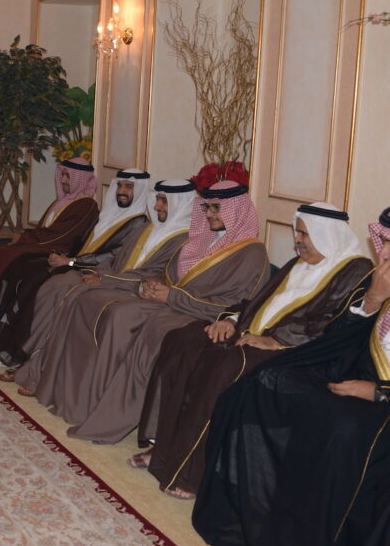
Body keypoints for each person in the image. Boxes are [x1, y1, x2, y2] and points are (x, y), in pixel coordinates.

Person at [133, 202, 371, 500]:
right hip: (250, 335)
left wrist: (276, 340)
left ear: (328, 235)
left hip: (294, 352)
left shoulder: (355, 271)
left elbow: (331, 325)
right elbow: (255, 301)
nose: (297, 240)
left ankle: (191, 472)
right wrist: (231, 321)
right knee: (183, 341)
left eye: (305, 234)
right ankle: (163, 448)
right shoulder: (297, 263)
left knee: (225, 365)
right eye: (297, 233)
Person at [193, 210, 390, 546]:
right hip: (355, 375)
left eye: (389, 245)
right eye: (383, 241)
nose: (382, 253)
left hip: (379, 400)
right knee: (266, 380)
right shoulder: (379, 283)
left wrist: (380, 392)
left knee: (341, 427)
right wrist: (373, 299)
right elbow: (341, 338)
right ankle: (257, 508)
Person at [20, 180, 270, 444]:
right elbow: (169, 275)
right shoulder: (201, 240)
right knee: (92, 302)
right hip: (172, 303)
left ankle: (105, 412)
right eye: (207, 207)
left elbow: (236, 305)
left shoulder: (252, 253)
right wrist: (150, 287)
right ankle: (75, 398)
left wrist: (170, 295)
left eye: (216, 208)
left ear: (236, 210)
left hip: (196, 313)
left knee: (120, 316)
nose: (209, 214)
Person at [2, 179, 196, 378]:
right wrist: (98, 272)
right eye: (157, 200)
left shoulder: (183, 240)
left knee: (74, 295)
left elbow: (153, 274)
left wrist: (104, 279)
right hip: (111, 278)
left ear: (180, 203)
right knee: (56, 285)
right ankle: (31, 358)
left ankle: (44, 368)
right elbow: (117, 258)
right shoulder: (147, 228)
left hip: (129, 288)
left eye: (164, 201)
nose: (156, 206)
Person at [0, 169, 153, 368]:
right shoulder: (108, 212)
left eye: (129, 187)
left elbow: (112, 255)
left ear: (140, 190)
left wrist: (71, 261)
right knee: (20, 269)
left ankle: (16, 352)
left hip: (89, 269)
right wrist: (62, 256)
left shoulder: (138, 223)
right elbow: (81, 241)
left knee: (34, 283)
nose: (121, 191)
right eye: (119, 185)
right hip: (73, 261)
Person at [0, 158, 99, 341]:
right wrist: (26, 236)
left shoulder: (86, 205)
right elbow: (46, 230)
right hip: (39, 243)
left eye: (68, 176)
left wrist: (24, 238)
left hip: (52, 249)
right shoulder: (64, 201)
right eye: (63, 175)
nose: (63, 180)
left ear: (80, 178)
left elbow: (61, 236)